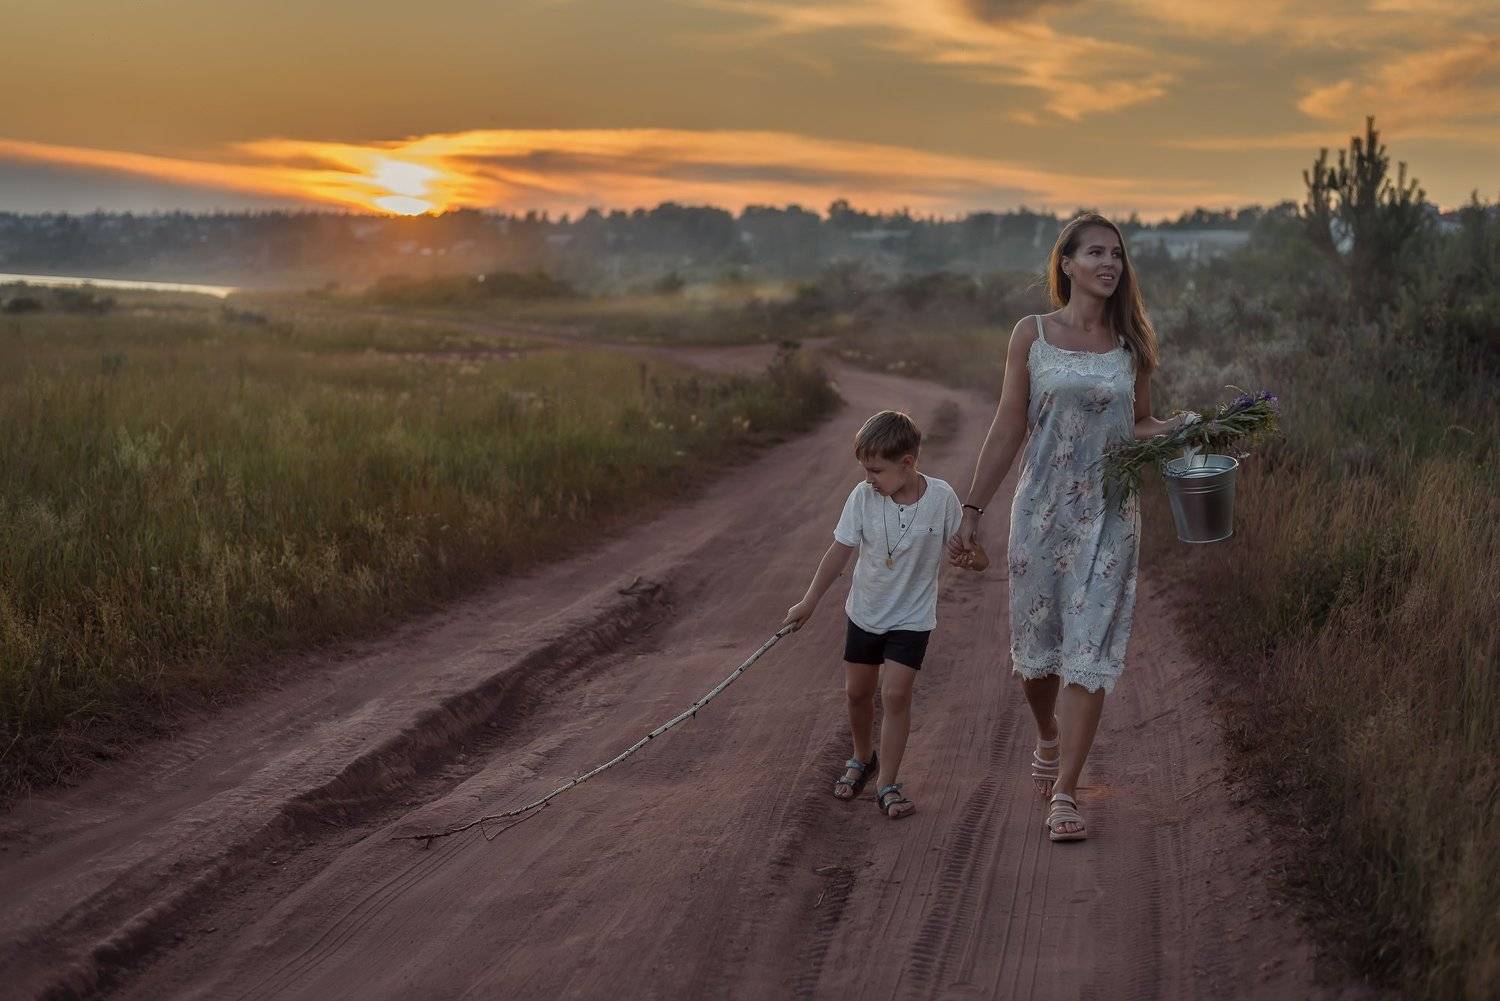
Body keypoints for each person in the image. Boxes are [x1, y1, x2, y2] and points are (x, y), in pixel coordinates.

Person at [950, 213, 1197, 842]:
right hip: (1041, 511)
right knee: (1038, 656)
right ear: (1067, 264)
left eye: (1117, 254)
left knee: (1088, 653)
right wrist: (973, 509)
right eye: (1096, 253)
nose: (1109, 263)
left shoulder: (1132, 345)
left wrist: (1186, 427)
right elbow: (1009, 422)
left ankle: (1065, 792)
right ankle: (1047, 733)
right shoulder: (1031, 334)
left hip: (1109, 515)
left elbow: (1138, 424)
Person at [782, 410, 984, 820]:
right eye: (865, 470)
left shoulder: (942, 498)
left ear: (907, 463)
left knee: (895, 695)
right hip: (865, 612)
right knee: (857, 693)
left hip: (912, 619)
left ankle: (887, 782)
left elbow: (976, 557)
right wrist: (809, 602)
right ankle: (863, 756)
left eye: (876, 470)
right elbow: (838, 552)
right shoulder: (862, 497)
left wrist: (972, 558)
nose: (868, 479)